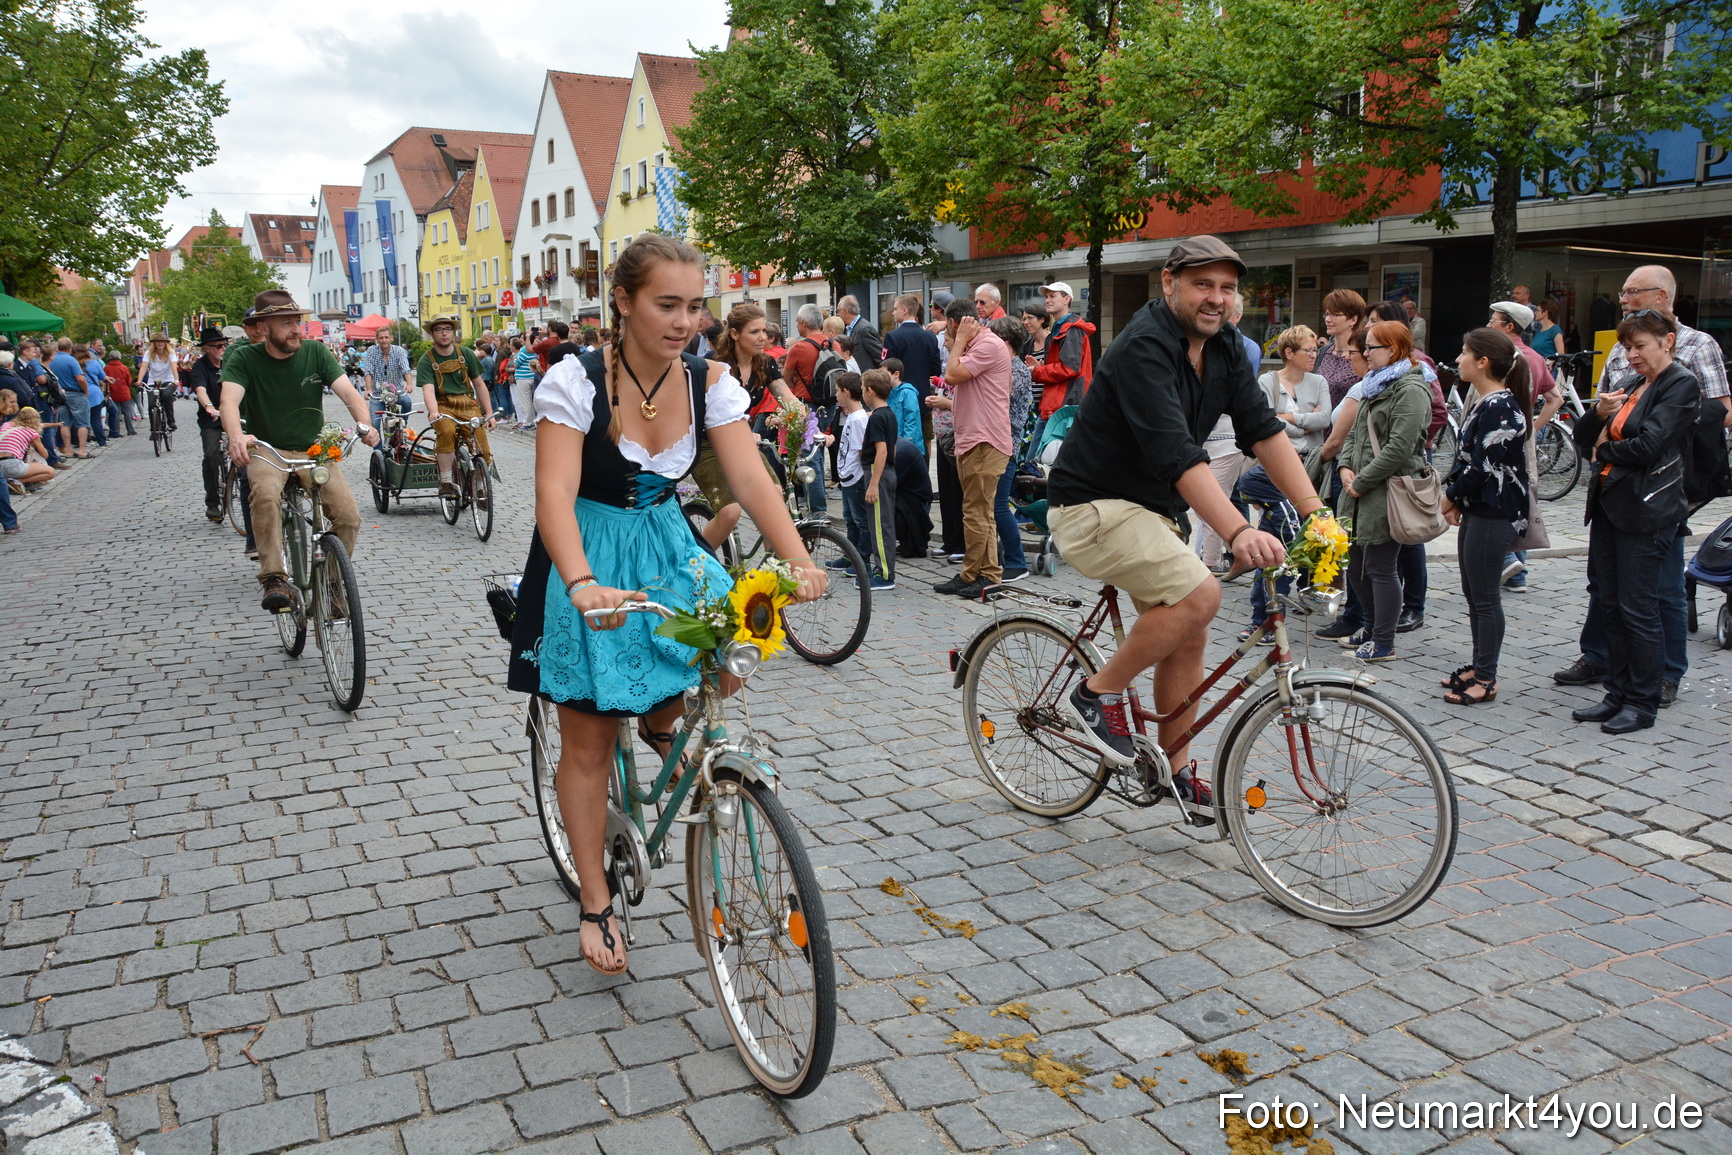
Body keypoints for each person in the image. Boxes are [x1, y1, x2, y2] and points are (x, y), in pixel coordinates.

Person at [505, 234, 825, 975]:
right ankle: (595, 899)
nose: (684, 322)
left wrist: (800, 560)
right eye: (667, 305)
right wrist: (580, 583)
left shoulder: (708, 381)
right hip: (586, 549)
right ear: (623, 301)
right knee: (588, 740)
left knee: (732, 648)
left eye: (694, 306)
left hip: (665, 544)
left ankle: (661, 720)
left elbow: (750, 479)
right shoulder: (577, 381)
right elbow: (553, 492)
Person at [1046, 235, 1323, 795]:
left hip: (1155, 511)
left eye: (1227, 287)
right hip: (1093, 506)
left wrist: (1317, 512)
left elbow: (1262, 430)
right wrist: (1238, 530)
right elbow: (1176, 453)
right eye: (1202, 284)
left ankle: (1172, 774)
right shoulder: (1144, 345)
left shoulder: (1226, 346)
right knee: (1202, 596)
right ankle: (1095, 693)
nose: (1216, 297)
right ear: (1169, 282)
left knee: (1189, 633)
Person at [1568, 310, 1700, 733]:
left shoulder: (1680, 383)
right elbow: (1581, 438)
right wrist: (1598, 417)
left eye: (1640, 345)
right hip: (1611, 504)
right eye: (1627, 347)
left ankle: (1642, 702)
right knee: (1610, 603)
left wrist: (1604, 450)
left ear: (1667, 341)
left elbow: (1650, 445)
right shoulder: (1631, 382)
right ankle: (1617, 693)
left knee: (1639, 609)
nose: (1631, 355)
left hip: (1648, 510)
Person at [220, 290, 379, 613]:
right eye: (286, 323)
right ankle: (274, 578)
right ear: (263, 327)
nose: (296, 329)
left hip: (313, 450)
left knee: (348, 517)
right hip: (267, 449)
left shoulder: (316, 352)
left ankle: (332, 583)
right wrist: (236, 435)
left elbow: (349, 393)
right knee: (265, 495)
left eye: (297, 321)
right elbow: (229, 401)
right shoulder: (244, 358)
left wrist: (365, 424)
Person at [1439, 329, 1534, 705]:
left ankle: (1487, 678)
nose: (1458, 359)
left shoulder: (1500, 405)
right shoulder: (1487, 401)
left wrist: (1449, 496)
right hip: (1480, 509)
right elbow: (1468, 461)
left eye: (1464, 352)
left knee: (1485, 598)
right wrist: (1457, 497)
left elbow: (1483, 466)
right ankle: (1480, 667)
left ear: (1482, 361)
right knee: (1474, 593)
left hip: (1495, 513)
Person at [1334, 320, 1431, 661]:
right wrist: (1345, 466)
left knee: (1381, 566)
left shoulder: (1411, 388)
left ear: (1392, 350)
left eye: (1371, 347)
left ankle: (1383, 642)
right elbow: (1356, 434)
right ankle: (1371, 627)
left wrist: (1361, 481)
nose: (1364, 353)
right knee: (1356, 563)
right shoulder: (1375, 383)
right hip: (1361, 491)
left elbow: (1400, 448)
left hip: (1387, 491)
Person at [1236, 325, 1331, 639]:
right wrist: (1303, 422)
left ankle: (1267, 619)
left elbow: (1324, 420)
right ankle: (1264, 620)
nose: (1314, 355)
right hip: (1274, 469)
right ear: (1289, 353)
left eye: (1316, 349)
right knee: (1280, 542)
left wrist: (1287, 418)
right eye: (1308, 350)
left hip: (1309, 469)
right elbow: (1265, 422)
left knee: (1287, 541)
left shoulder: (1318, 382)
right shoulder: (1268, 381)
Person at [932, 298, 1014, 598]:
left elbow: (952, 375)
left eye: (949, 329)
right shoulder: (977, 344)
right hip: (975, 439)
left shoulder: (987, 345)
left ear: (955, 323)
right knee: (980, 512)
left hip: (984, 441)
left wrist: (960, 339)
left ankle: (979, 575)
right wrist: (959, 340)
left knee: (976, 512)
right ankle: (984, 575)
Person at [1487, 300, 1563, 591]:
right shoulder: (1535, 357)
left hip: (1499, 437)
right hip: (1523, 440)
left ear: (1509, 326)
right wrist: (1532, 428)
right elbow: (1556, 399)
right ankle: (1518, 573)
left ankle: (1509, 566)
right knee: (1521, 498)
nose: (1489, 325)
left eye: (1493, 321)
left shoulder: (1501, 359)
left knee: (1498, 498)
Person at [695, 303, 784, 549]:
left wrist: (809, 426)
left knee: (776, 497)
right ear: (734, 334)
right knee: (730, 512)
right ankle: (696, 565)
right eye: (754, 332)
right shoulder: (713, 364)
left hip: (741, 440)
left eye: (764, 331)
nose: (763, 337)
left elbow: (788, 399)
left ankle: (774, 568)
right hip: (707, 443)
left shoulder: (765, 363)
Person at [417, 316, 495, 498]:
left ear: (453, 332)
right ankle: (446, 482)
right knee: (445, 431)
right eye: (439, 330)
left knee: (481, 443)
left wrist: (489, 413)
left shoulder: (465, 353)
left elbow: (479, 385)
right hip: (443, 405)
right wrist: (434, 411)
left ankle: (480, 486)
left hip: (467, 403)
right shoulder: (426, 360)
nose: (444, 333)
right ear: (432, 334)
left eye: (447, 329)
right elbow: (428, 390)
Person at [1026, 281, 1095, 455]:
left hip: (1063, 408)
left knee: (1040, 463)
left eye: (1052, 296)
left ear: (1067, 299)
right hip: (1057, 406)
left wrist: (1039, 371)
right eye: (1046, 297)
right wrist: (1042, 369)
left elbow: (1069, 368)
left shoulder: (1070, 330)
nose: (1047, 300)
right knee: (1039, 462)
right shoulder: (1062, 328)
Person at [989, 315, 1033, 583]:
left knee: (999, 505)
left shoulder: (1016, 371)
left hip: (1005, 445)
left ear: (1005, 342)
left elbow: (1000, 406)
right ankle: (999, 558)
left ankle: (1017, 562)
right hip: (997, 443)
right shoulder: (1005, 368)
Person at [882, 292, 942, 462]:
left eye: (895, 309)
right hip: (924, 396)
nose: (893, 312)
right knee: (924, 437)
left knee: (898, 437)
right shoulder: (930, 337)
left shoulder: (893, 337)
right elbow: (936, 369)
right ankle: (922, 471)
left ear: (905, 310)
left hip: (898, 397)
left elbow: (886, 370)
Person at [858, 370, 899, 590]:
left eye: (862, 388)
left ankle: (884, 574)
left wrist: (873, 484)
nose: (861, 392)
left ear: (870, 391)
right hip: (887, 471)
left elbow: (882, 451)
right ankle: (882, 568)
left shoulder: (876, 417)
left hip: (877, 472)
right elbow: (893, 447)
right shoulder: (888, 413)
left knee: (880, 526)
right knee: (883, 523)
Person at [188, 326, 232, 522]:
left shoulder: (230, 363)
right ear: (206, 348)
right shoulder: (200, 366)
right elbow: (200, 389)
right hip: (211, 418)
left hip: (232, 415)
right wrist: (208, 406)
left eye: (224, 344)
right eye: (218, 346)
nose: (223, 348)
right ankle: (213, 503)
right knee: (211, 456)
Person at [834, 374, 872, 576]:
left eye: (837, 391)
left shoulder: (858, 419)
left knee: (861, 520)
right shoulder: (852, 416)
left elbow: (860, 451)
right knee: (850, 518)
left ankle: (862, 560)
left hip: (855, 478)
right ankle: (850, 555)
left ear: (846, 392)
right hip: (847, 476)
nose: (836, 395)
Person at [1315, 289, 1367, 407]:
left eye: (1335, 314)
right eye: (1327, 314)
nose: (1328, 319)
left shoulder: (1363, 353)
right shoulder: (1323, 352)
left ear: (1353, 320)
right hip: (1320, 417)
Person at [361, 328, 413, 430]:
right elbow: (368, 371)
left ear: (391, 338)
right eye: (381, 338)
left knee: (407, 403)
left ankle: (403, 426)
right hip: (378, 393)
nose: (384, 340)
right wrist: (368, 389)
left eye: (386, 337)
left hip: (396, 391)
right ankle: (378, 441)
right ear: (377, 339)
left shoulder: (399, 351)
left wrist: (409, 384)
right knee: (374, 423)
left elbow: (405, 369)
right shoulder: (372, 351)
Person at [49, 338, 93, 459]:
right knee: (82, 422)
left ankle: (68, 449)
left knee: (64, 423)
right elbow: (80, 379)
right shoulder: (71, 360)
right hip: (75, 393)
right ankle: (82, 450)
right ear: (70, 347)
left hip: (60, 394)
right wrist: (85, 391)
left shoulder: (52, 360)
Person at [139, 334, 179, 433]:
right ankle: (154, 429)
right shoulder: (149, 353)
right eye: (157, 342)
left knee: (166, 396)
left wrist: (176, 380)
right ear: (154, 343)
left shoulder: (171, 353)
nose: (159, 344)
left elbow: (174, 367)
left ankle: (171, 421)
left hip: (168, 380)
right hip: (153, 380)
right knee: (151, 404)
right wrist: (139, 380)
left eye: (162, 342)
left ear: (165, 343)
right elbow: (144, 367)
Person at [882, 358, 922, 452]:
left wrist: (907, 443)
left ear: (896, 374)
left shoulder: (908, 393)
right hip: (893, 443)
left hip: (907, 446)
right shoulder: (887, 393)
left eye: (884, 375)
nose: (882, 378)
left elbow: (911, 420)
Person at [837, 295, 882, 371]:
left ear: (845, 311)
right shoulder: (847, 328)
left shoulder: (865, 329)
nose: (838, 314)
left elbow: (879, 356)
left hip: (865, 376)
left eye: (838, 310)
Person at [510, 336, 539, 431]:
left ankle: (527, 422)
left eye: (523, 338)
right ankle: (533, 420)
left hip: (523, 377)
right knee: (531, 400)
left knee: (525, 401)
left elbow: (516, 363)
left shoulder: (524, 350)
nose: (521, 340)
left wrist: (515, 358)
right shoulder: (534, 349)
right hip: (531, 375)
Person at [104, 352, 136, 436]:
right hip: (124, 392)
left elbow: (105, 380)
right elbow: (129, 380)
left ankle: (116, 431)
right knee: (127, 412)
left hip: (113, 392)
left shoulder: (107, 368)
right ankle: (130, 429)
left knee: (116, 413)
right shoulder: (124, 367)